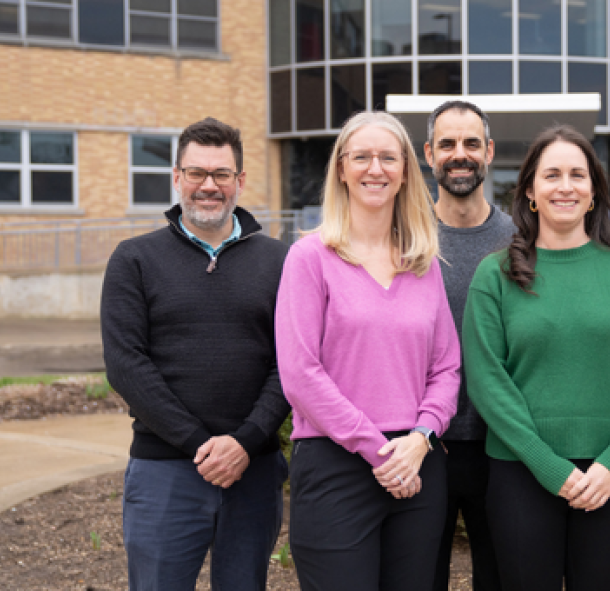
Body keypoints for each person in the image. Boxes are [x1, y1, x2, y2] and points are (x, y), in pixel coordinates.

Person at [462, 124, 610, 591]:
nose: (565, 186)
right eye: (551, 174)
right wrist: (551, 468)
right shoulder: (495, 275)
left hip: (608, 477)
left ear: (595, 190)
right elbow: (487, 380)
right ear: (531, 190)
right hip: (521, 472)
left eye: (578, 174)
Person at [101, 117, 290, 591]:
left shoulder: (281, 261)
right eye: (197, 173)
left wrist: (245, 441)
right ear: (177, 177)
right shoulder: (134, 259)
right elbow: (126, 364)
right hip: (165, 470)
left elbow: (291, 360)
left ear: (240, 181)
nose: (209, 186)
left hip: (254, 469)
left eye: (222, 174)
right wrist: (200, 446)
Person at [275, 111, 460, 591]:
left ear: (404, 171)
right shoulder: (309, 257)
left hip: (417, 466)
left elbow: (446, 369)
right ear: (341, 168)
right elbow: (300, 374)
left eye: (387, 157)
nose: (374, 168)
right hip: (336, 465)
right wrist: (377, 450)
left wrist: (421, 438)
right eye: (361, 156)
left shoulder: (424, 264)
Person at [424, 100, 515, 591]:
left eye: (471, 144)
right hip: (422, 443)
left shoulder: (521, 239)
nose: (460, 155)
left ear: (490, 151)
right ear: (429, 153)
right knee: (420, 576)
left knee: (500, 576)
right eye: (447, 144)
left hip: (501, 444)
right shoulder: (405, 236)